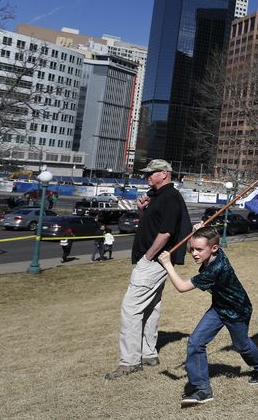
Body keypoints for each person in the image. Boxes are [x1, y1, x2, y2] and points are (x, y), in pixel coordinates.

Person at [158, 226, 258, 407]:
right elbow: (196, 246)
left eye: (198, 250)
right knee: (195, 342)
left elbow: (181, 287)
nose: (194, 253)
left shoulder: (215, 268)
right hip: (219, 307)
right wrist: (196, 231)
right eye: (193, 248)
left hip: (237, 310)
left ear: (214, 249)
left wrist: (167, 264)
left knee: (241, 345)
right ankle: (202, 390)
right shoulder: (212, 252)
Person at [105, 159, 190, 380]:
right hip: (155, 261)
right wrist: (141, 210)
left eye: (151, 173)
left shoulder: (170, 197)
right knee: (151, 306)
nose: (147, 177)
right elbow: (149, 225)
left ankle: (129, 361)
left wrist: (150, 255)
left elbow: (166, 232)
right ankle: (148, 354)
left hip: (153, 262)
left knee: (131, 308)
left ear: (164, 174)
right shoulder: (156, 196)